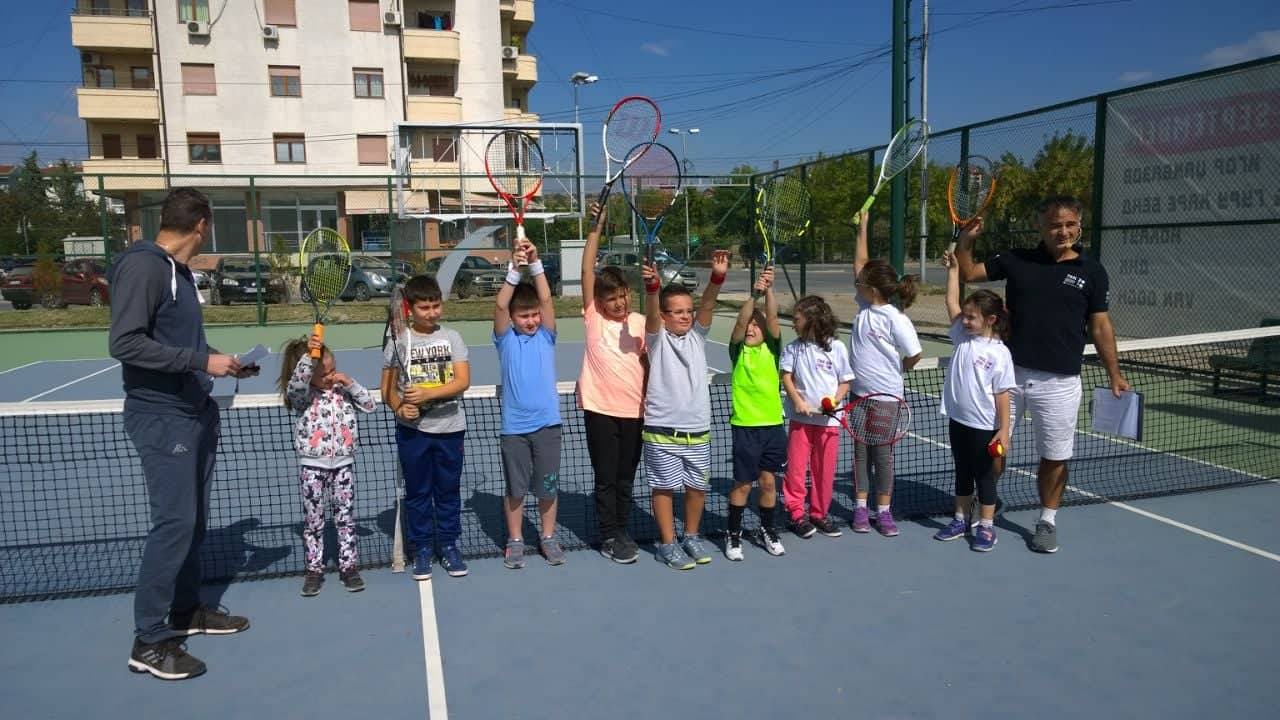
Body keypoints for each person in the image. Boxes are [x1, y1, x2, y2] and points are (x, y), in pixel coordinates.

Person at [109, 188, 257, 681]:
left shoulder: (181, 273)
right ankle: (149, 641)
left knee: (193, 522)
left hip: (194, 410)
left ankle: (186, 610)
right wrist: (199, 361)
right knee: (174, 523)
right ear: (202, 225)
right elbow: (125, 343)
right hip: (161, 415)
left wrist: (223, 362)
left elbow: (184, 343)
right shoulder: (144, 267)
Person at [954, 195, 1130, 553]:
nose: (1063, 231)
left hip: (1060, 383)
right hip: (1008, 378)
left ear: (1079, 226)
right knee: (991, 448)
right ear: (1040, 227)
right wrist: (967, 240)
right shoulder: (1016, 259)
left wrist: (1114, 372)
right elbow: (969, 273)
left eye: (1069, 224)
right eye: (1054, 225)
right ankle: (986, 502)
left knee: (1055, 456)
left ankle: (1047, 520)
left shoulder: (1092, 271)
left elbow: (1100, 326)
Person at [640, 249, 730, 570]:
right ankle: (668, 544)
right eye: (677, 312)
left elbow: (707, 305)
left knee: (697, 488)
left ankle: (691, 536)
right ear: (664, 316)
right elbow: (651, 314)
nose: (685, 316)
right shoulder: (656, 340)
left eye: (688, 311)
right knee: (664, 488)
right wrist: (652, 289)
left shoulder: (697, 338)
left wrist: (717, 278)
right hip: (662, 432)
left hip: (698, 433)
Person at [382, 275, 471, 579]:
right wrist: (399, 407)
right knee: (418, 493)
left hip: (450, 428)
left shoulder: (452, 338)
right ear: (410, 308)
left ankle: (448, 545)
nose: (432, 312)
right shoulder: (398, 342)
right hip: (413, 432)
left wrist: (427, 395)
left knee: (448, 492)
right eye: (425, 307)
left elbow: (462, 381)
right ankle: (421, 547)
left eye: (436, 305)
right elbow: (387, 390)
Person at [279, 334, 378, 595]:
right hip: (312, 467)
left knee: (345, 519)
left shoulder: (343, 391)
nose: (331, 376)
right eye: (324, 373)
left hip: (343, 466)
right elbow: (296, 384)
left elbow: (370, 405)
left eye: (333, 370)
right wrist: (308, 358)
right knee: (314, 521)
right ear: (309, 374)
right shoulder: (303, 396)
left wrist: (350, 382)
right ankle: (314, 569)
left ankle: (349, 566)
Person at [578, 204, 647, 564]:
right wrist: (597, 226)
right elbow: (586, 269)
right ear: (599, 301)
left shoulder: (640, 322)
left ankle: (621, 529)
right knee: (606, 478)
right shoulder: (593, 318)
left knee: (625, 478)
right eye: (611, 298)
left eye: (622, 295)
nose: (618, 303)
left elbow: (650, 365)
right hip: (600, 411)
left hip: (635, 413)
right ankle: (609, 535)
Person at [935, 250, 1015, 552]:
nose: (965, 320)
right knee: (962, 472)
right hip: (958, 420)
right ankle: (960, 519)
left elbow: (1003, 394)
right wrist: (953, 271)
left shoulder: (999, 353)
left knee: (985, 477)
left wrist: (1003, 430)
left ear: (991, 319)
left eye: (971, 317)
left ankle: (986, 526)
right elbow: (951, 302)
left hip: (984, 426)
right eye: (965, 316)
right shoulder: (962, 336)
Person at [849, 209, 923, 536]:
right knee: (860, 454)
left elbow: (915, 353)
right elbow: (860, 262)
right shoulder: (864, 306)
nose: (856, 281)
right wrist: (862, 227)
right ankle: (860, 508)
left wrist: (897, 372)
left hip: (886, 400)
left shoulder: (896, 318)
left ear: (872, 288)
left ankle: (883, 511)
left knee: (882, 455)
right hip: (858, 396)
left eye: (860, 281)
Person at [493, 239, 565, 569]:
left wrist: (535, 264)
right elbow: (499, 305)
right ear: (512, 318)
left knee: (547, 488)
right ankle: (516, 540)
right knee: (516, 490)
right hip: (515, 430)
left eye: (535, 314)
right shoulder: (505, 340)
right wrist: (514, 269)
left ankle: (548, 537)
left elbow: (547, 299)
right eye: (524, 315)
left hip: (548, 427)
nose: (532, 320)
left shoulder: (547, 336)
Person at [725, 267, 787, 560]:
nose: (750, 329)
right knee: (742, 485)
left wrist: (770, 289)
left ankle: (767, 529)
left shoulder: (773, 350)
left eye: (756, 326)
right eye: (749, 325)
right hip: (746, 427)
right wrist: (754, 294)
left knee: (769, 483)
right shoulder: (738, 352)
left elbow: (772, 318)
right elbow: (740, 322)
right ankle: (733, 534)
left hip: (773, 427)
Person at [780, 295, 854, 539]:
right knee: (796, 471)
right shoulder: (793, 348)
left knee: (824, 471)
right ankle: (796, 514)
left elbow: (845, 381)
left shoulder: (837, 347)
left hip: (828, 423)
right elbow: (786, 377)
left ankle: (819, 514)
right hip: (801, 422)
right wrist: (798, 401)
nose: (793, 323)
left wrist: (835, 401)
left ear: (811, 320)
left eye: (797, 319)